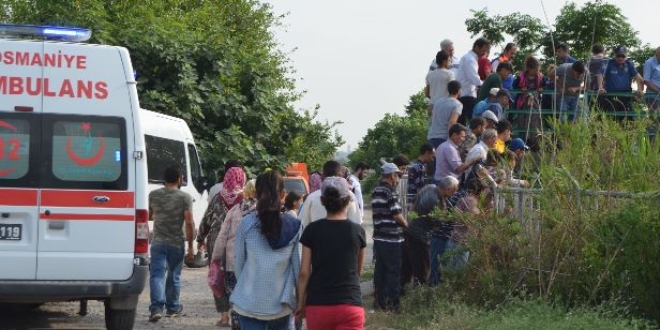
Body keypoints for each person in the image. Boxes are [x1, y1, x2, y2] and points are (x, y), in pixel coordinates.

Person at [231, 170, 302, 329]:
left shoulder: (247, 224)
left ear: (256, 194)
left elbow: (239, 266)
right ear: (283, 194)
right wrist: (301, 300)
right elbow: (298, 269)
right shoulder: (295, 225)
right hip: (281, 306)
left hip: (249, 304)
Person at [295, 177, 367, 330]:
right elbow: (357, 271)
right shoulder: (358, 231)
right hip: (350, 305)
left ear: (322, 200)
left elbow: (304, 272)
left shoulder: (312, 230)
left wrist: (300, 301)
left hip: (318, 306)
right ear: (348, 200)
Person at [198, 166, 246, 326]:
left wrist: (200, 238)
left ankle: (224, 316)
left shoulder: (218, 198)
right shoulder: (244, 200)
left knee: (217, 277)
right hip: (236, 243)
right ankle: (237, 315)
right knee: (236, 277)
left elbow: (206, 219)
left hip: (215, 241)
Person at [148, 166, 195, 322]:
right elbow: (189, 222)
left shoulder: (153, 195)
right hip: (176, 243)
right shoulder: (184, 197)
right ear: (179, 178)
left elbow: (150, 215)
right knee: (174, 276)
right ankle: (172, 307)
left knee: (157, 275)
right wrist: (190, 248)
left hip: (158, 242)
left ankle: (156, 308)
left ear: (165, 179)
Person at [212, 179, 257, 329]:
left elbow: (222, 236)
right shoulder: (261, 211)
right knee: (250, 295)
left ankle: (237, 322)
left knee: (234, 294)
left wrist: (216, 257)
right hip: (253, 263)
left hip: (233, 262)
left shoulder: (235, 210)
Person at [371, 163, 408, 312]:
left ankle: (380, 301)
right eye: (398, 175)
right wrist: (406, 225)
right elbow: (396, 214)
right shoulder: (390, 192)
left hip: (379, 237)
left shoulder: (376, 190)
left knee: (380, 270)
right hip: (392, 238)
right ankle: (394, 304)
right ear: (392, 176)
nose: (398, 178)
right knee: (393, 271)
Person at [299, 160, 362, 226]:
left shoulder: (311, 198)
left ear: (322, 176)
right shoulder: (349, 196)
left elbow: (303, 224)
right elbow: (356, 222)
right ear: (340, 175)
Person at [401, 184, 441, 287]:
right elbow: (437, 223)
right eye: (453, 191)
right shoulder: (435, 201)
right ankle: (419, 294)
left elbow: (412, 203)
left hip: (410, 231)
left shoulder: (429, 187)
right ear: (449, 189)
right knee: (422, 270)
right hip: (421, 237)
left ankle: (402, 290)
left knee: (408, 265)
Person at [428, 176, 460, 286]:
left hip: (443, 235)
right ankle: (433, 287)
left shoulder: (443, 196)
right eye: (454, 190)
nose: (455, 193)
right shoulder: (436, 197)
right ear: (448, 189)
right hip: (438, 235)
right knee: (436, 263)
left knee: (440, 264)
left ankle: (436, 287)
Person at [601, 46, 645, 118]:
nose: (620, 58)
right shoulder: (609, 63)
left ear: (626, 56)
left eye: (623, 56)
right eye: (618, 56)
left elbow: (638, 78)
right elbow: (601, 76)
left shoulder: (629, 64)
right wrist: (602, 87)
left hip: (625, 96)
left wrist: (639, 89)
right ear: (615, 55)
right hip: (611, 96)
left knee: (627, 119)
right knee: (612, 118)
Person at [456, 37, 491, 124]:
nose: (483, 53)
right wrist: (486, 85)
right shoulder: (470, 60)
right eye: (483, 50)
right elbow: (474, 78)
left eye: (485, 51)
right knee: (475, 123)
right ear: (476, 47)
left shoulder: (467, 58)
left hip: (464, 93)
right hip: (467, 94)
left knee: (464, 122)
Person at [428, 80, 463, 148]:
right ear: (459, 91)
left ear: (447, 90)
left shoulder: (438, 102)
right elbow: (452, 122)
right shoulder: (457, 104)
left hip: (431, 137)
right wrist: (452, 141)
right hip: (443, 138)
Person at [407, 143, 435, 207]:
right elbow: (420, 190)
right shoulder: (420, 168)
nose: (432, 159)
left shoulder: (413, 164)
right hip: (414, 203)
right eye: (432, 156)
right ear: (427, 153)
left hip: (408, 201)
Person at [643, 46, 660, 121]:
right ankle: (652, 132)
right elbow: (646, 81)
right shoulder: (649, 62)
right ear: (657, 54)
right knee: (654, 118)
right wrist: (657, 91)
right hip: (653, 94)